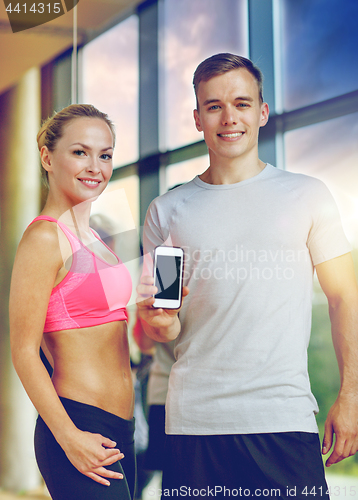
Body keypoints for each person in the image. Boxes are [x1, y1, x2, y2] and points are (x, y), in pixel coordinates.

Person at [137, 53, 358, 498]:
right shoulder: (166, 211)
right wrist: (159, 322)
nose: (229, 117)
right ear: (198, 118)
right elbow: (165, 319)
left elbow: (344, 297)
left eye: (241, 102)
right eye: (214, 106)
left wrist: (351, 395)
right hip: (194, 424)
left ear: (262, 112)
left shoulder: (308, 195)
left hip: (283, 418)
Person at [10, 104, 136, 500]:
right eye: (80, 152)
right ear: (48, 157)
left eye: (105, 154)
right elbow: (24, 351)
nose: (95, 166)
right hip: (78, 423)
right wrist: (69, 437)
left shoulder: (99, 242)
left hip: (121, 429)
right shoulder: (44, 239)